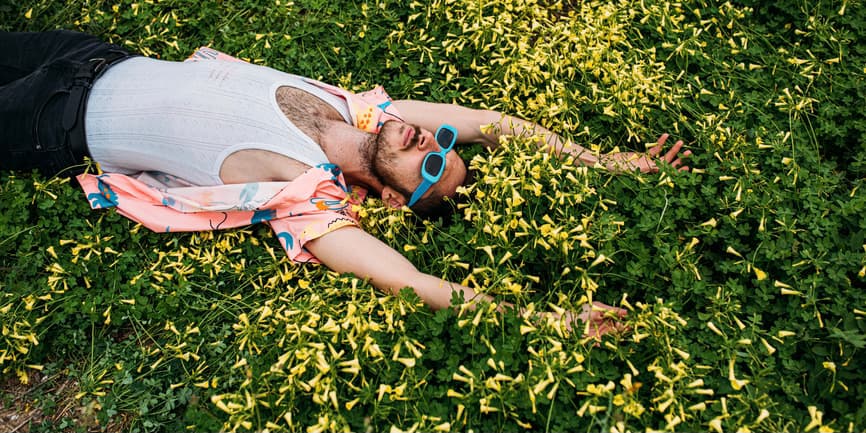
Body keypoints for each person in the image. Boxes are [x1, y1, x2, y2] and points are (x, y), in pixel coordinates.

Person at [1, 30, 691, 336]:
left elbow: (417, 284)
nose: (431, 139)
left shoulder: (306, 196)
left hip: (50, 119)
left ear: (392, 199)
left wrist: (554, 321)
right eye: (438, 143)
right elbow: (491, 120)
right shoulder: (364, 111)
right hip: (90, 54)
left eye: (428, 166)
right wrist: (604, 160)